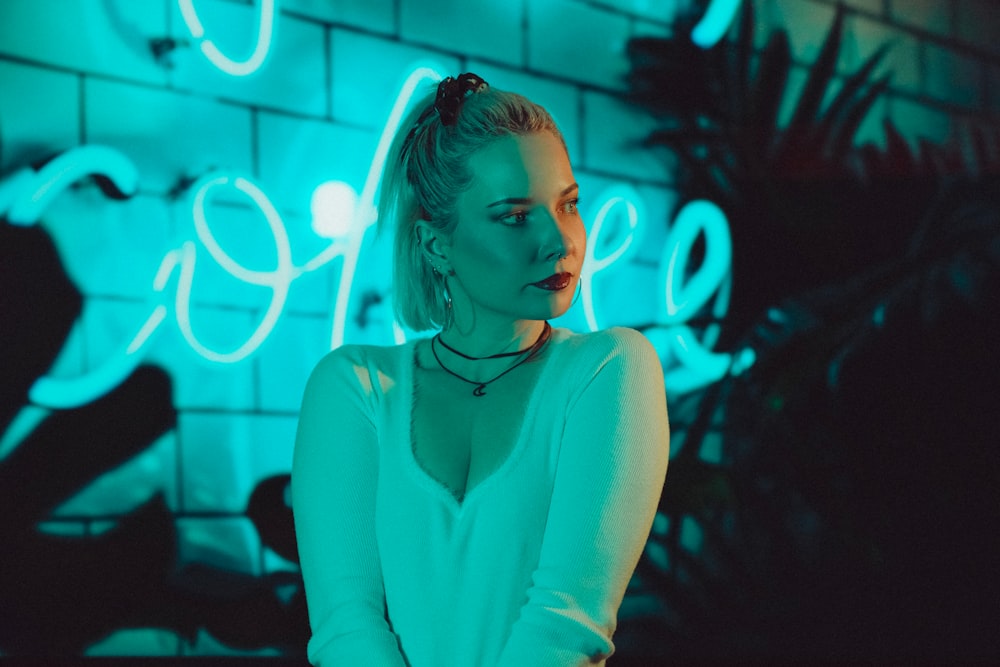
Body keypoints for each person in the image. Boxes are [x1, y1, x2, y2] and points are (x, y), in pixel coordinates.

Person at [292, 73, 670, 667]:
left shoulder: (608, 370)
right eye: (514, 216)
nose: (559, 241)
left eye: (568, 204)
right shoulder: (355, 387)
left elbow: (567, 626)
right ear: (437, 244)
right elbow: (346, 628)